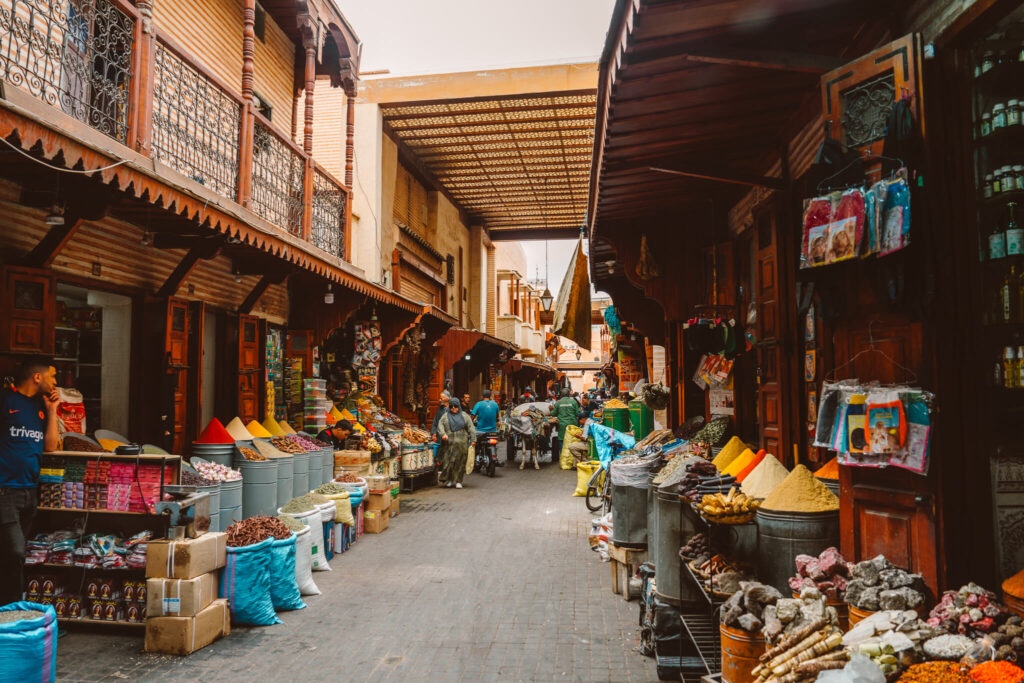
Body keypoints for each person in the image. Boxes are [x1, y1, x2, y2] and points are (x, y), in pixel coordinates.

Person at [1, 356, 59, 605]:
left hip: (29, 490)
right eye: (52, 376)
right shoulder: (5, 400)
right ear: (38, 377)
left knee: (15, 554)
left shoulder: (40, 405)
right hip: (5, 491)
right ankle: (11, 611)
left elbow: (51, 446)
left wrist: (53, 410)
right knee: (14, 552)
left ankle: (8, 609)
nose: (55, 382)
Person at [437, 397, 475, 489]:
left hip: (461, 444)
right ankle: (449, 480)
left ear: (459, 406)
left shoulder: (465, 416)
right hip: (448, 444)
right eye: (451, 406)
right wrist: (443, 434)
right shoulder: (445, 416)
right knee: (448, 462)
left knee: (460, 462)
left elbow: (471, 428)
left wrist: (473, 440)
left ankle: (458, 481)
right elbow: (440, 425)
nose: (453, 408)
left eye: (456, 406)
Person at [551, 387, 579, 461]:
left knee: (562, 440)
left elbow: (553, 414)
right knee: (573, 439)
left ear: (562, 394)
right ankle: (572, 457)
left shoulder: (558, 402)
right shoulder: (573, 402)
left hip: (562, 424)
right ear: (568, 394)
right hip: (572, 424)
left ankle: (564, 457)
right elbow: (577, 413)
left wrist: (551, 410)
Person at [431, 391, 451, 480]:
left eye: (441, 398)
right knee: (441, 452)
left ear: (447, 398)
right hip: (441, 434)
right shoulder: (440, 409)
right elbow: (435, 422)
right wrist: (434, 432)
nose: (440, 400)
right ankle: (442, 472)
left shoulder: (453, 407)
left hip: (451, 434)